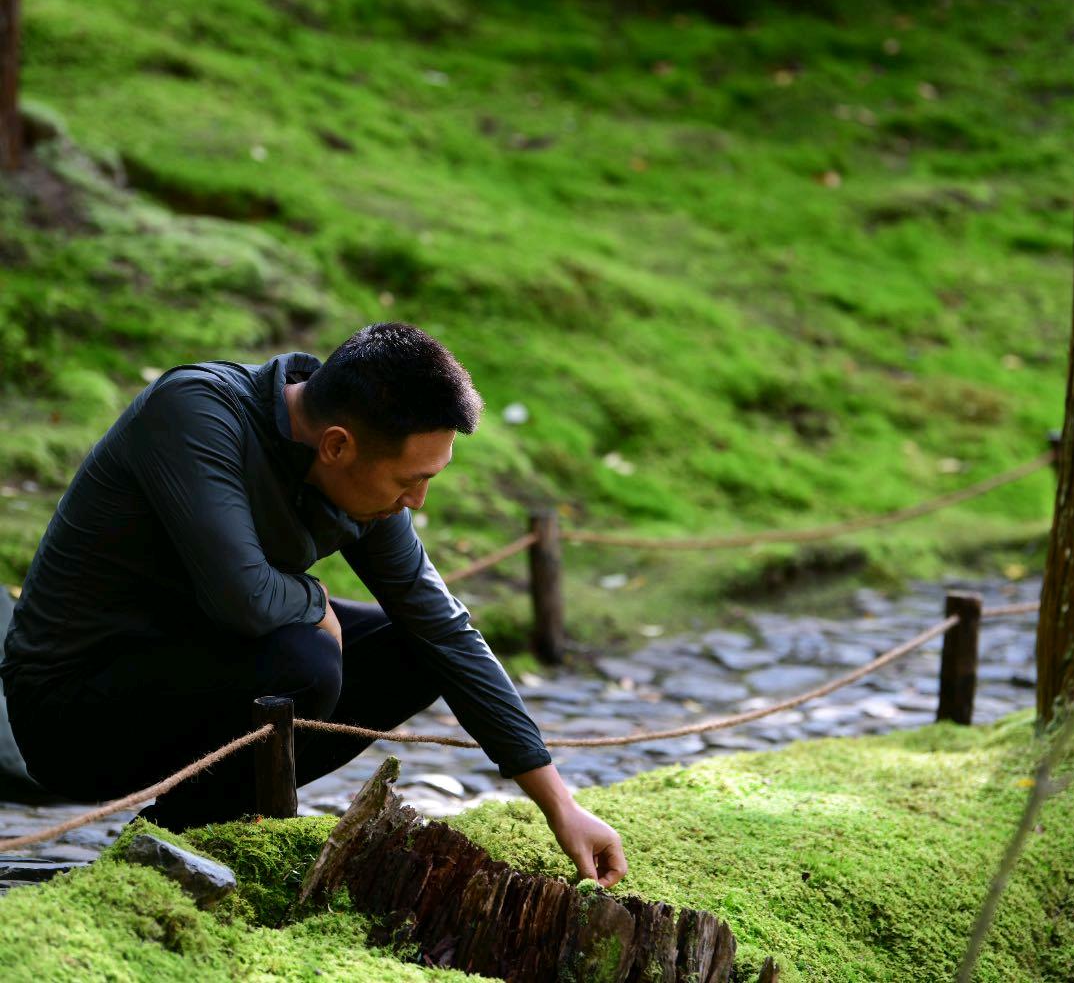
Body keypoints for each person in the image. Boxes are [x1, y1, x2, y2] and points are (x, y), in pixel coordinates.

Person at [0, 323, 627, 889]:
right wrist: (314, 598)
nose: (419, 502)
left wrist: (559, 804)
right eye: (410, 481)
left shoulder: (363, 477)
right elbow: (243, 598)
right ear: (336, 446)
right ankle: (178, 846)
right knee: (307, 661)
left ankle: (191, 833)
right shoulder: (196, 413)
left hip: (192, 664)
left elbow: (444, 628)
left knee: (414, 647)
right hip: (70, 713)